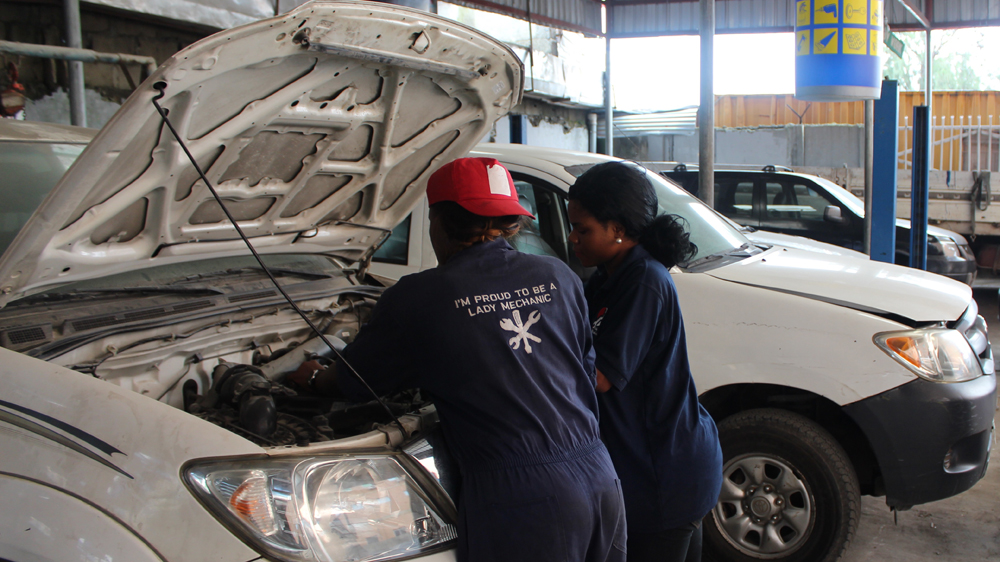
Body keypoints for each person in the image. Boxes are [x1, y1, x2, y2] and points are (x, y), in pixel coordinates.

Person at [294, 157, 626, 562]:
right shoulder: (560, 276)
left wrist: (314, 378)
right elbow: (581, 369)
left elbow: (354, 381)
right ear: (511, 221)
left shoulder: (418, 298)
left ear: (438, 220)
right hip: (599, 476)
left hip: (523, 499)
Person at [567, 161, 723, 562]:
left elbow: (601, 376)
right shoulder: (608, 276)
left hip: (663, 473)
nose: (572, 239)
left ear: (617, 229)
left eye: (583, 230)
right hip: (659, 464)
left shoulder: (644, 281)